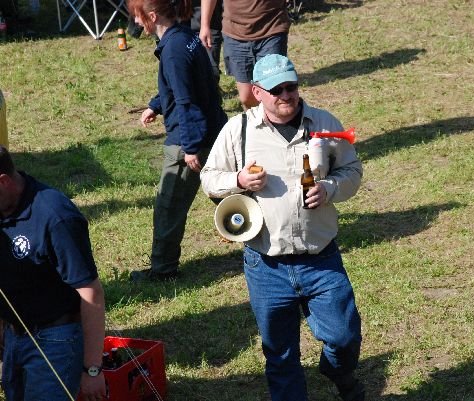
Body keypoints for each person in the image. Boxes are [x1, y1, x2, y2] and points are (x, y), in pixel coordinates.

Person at [201, 54, 364, 401]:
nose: (286, 95)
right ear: (258, 92)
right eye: (276, 90)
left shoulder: (323, 123)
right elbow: (209, 178)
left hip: (321, 258)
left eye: (291, 87)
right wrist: (238, 178)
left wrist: (330, 188)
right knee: (280, 354)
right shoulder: (238, 130)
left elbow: (352, 170)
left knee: (344, 337)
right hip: (266, 265)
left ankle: (337, 371)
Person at [127, 0, 228, 281]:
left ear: (152, 16)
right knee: (226, 193)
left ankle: (163, 270)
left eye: (137, 17)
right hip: (214, 130)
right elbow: (184, 84)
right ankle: (263, 236)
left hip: (190, 139)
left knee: (168, 207)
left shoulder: (172, 50)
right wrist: (156, 105)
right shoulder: (185, 37)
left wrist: (191, 147)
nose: (136, 24)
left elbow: (186, 101)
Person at [0, 146, 106, 400]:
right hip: (14, 335)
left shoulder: (56, 217)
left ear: (3, 181)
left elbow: (91, 292)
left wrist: (92, 370)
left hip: (55, 339)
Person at [199, 0, 290, 110]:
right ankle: (257, 122)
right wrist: (205, 25)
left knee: (272, 90)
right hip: (235, 33)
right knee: (246, 97)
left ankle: (275, 123)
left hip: (272, 27)